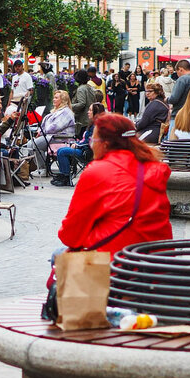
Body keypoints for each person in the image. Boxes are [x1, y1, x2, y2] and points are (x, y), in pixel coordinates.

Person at [57, 113, 172, 255]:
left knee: (59, 255)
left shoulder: (98, 172)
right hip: (158, 264)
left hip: (119, 266)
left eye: (93, 140)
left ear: (104, 144)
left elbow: (70, 236)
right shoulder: (153, 167)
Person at [51, 102, 105, 187]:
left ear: (96, 113)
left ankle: (65, 177)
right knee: (61, 150)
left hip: (87, 152)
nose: (88, 112)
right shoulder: (94, 124)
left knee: (62, 152)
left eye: (90, 110)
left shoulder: (96, 126)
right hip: (84, 149)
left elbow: (90, 142)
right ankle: (64, 175)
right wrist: (77, 143)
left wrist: (77, 145)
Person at [23, 89, 75, 173]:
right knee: (30, 144)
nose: (53, 99)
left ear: (63, 100)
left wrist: (42, 131)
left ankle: (43, 168)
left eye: (56, 98)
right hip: (50, 136)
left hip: (61, 138)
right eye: (54, 97)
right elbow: (44, 124)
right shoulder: (56, 111)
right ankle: (41, 167)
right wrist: (40, 131)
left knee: (33, 145)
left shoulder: (66, 112)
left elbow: (55, 127)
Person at [70, 69, 94, 135]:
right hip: (88, 119)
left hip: (83, 120)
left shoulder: (81, 89)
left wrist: (69, 106)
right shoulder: (89, 87)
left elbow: (82, 104)